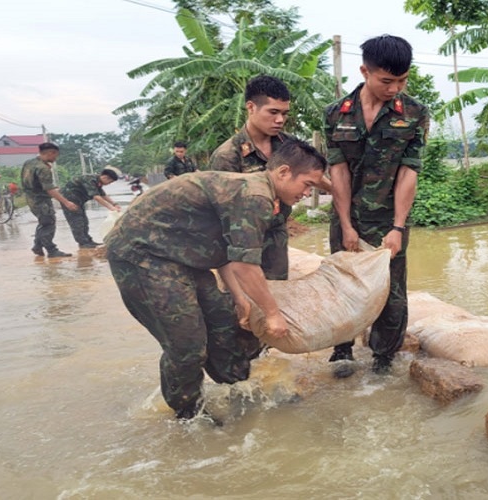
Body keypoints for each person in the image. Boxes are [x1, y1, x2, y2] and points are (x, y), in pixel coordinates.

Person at [105, 138, 327, 421]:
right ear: (283, 172)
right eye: (307, 184)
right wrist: (272, 314)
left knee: (223, 319)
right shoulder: (255, 197)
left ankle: (237, 387)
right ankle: (187, 414)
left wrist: (239, 298)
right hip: (142, 255)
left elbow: (225, 251)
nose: (308, 193)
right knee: (187, 342)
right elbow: (245, 265)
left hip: (180, 253)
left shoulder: (259, 192)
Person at [323, 35, 430, 377]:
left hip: (389, 217)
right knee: (344, 284)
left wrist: (398, 226)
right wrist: (347, 225)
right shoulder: (336, 114)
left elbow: (408, 171)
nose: (395, 88)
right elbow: (337, 171)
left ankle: (383, 359)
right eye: (387, 81)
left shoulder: (414, 114)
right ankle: (342, 351)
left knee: (392, 289)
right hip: (347, 216)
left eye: (402, 80)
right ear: (364, 71)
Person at [208, 75, 332, 280]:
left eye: (284, 113)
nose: (280, 120)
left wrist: (339, 192)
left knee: (278, 290)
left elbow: (311, 176)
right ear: (251, 107)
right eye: (273, 112)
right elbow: (221, 214)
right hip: (242, 242)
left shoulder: (289, 145)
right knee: (243, 299)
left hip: (276, 235)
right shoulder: (228, 156)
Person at [21, 142, 79, 258]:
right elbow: (49, 190)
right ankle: (52, 251)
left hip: (30, 197)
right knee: (49, 224)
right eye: (55, 155)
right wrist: (66, 202)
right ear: (50, 153)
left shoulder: (29, 163)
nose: (55, 158)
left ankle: (37, 246)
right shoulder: (43, 168)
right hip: (41, 200)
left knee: (43, 222)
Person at [60, 167, 122, 248]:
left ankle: (88, 240)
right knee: (77, 222)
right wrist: (111, 208)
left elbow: (102, 194)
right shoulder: (90, 180)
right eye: (110, 182)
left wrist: (114, 204)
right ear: (105, 177)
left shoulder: (98, 181)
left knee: (84, 222)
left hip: (79, 201)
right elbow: (97, 197)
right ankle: (83, 243)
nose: (109, 184)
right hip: (69, 201)